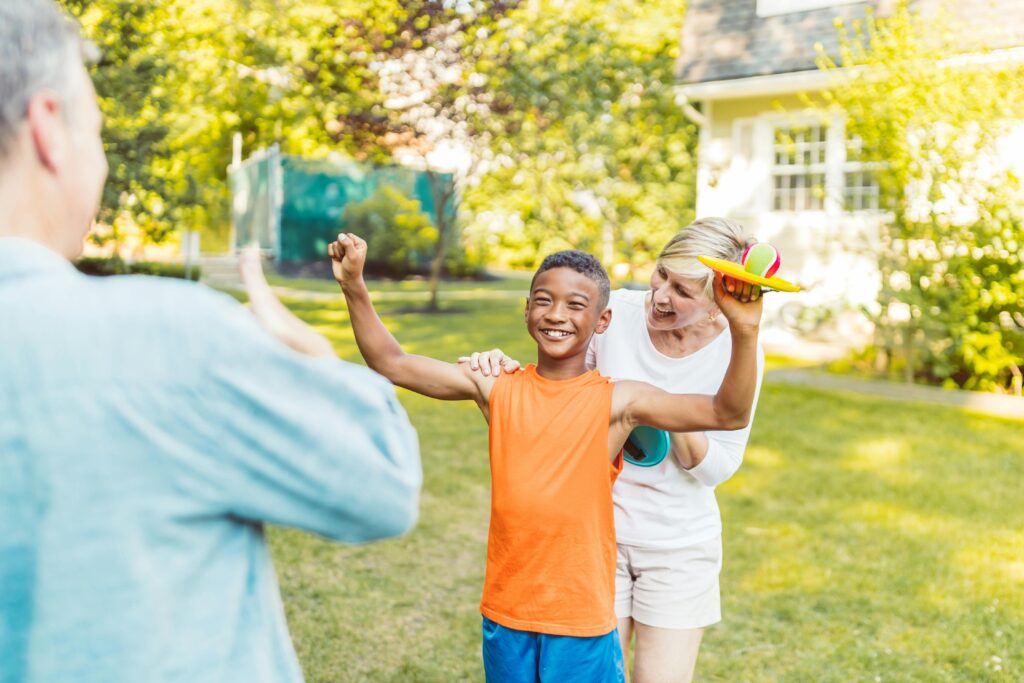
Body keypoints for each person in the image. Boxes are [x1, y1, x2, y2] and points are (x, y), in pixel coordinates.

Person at [0, 3, 421, 682]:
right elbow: (383, 480)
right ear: (49, 128)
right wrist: (310, 351)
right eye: (98, 132)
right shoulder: (167, 338)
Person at [327, 231, 763, 682]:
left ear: (602, 320)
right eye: (543, 300)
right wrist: (354, 286)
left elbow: (726, 414)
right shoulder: (496, 385)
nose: (556, 314)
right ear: (526, 308)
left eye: (576, 305)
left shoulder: (620, 402)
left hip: (582, 620)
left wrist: (745, 330)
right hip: (506, 613)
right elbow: (392, 362)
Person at [464, 217, 766, 683]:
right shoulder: (616, 314)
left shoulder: (736, 351)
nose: (661, 295)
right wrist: (498, 371)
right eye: (662, 274)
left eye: (683, 291)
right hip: (594, 540)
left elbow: (717, 466)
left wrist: (664, 407)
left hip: (677, 545)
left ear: (716, 306)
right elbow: (559, 391)